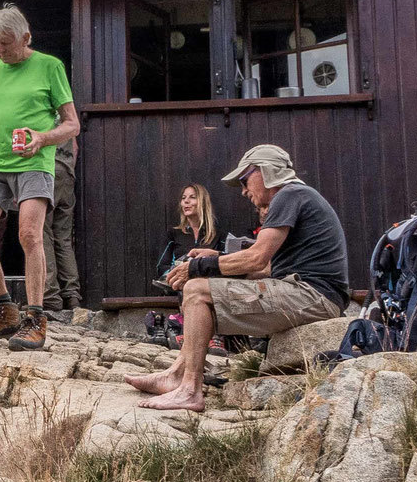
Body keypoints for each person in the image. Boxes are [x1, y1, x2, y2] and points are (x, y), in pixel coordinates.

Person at [131, 145, 348, 413]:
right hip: (308, 292)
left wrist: (200, 266)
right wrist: (218, 257)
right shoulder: (297, 196)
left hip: (313, 296)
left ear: (266, 171)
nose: (244, 190)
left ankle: (189, 390)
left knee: (198, 289)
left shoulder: (289, 194)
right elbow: (267, 268)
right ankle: (176, 375)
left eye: (245, 180)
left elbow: (256, 259)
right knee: (200, 289)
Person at [0, 5, 80, 351]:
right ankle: (4, 310)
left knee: (29, 233)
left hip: (34, 161)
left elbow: (72, 123)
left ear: (26, 38)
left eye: (7, 43)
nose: (0, 50)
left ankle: (36, 318)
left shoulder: (49, 66)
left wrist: (42, 138)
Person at [152, 183, 219, 294]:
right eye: (183, 198)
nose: (186, 201)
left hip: (206, 292)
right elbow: (161, 267)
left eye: (192, 197)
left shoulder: (218, 235)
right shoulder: (173, 233)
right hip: (176, 291)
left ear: (203, 202)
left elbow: (223, 263)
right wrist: (180, 272)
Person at [41, 137, 81, 313]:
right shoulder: (66, 113)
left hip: (45, 170)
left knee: (40, 235)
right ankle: (72, 295)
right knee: (63, 238)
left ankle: (50, 296)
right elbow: (75, 146)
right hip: (66, 173)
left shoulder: (36, 110)